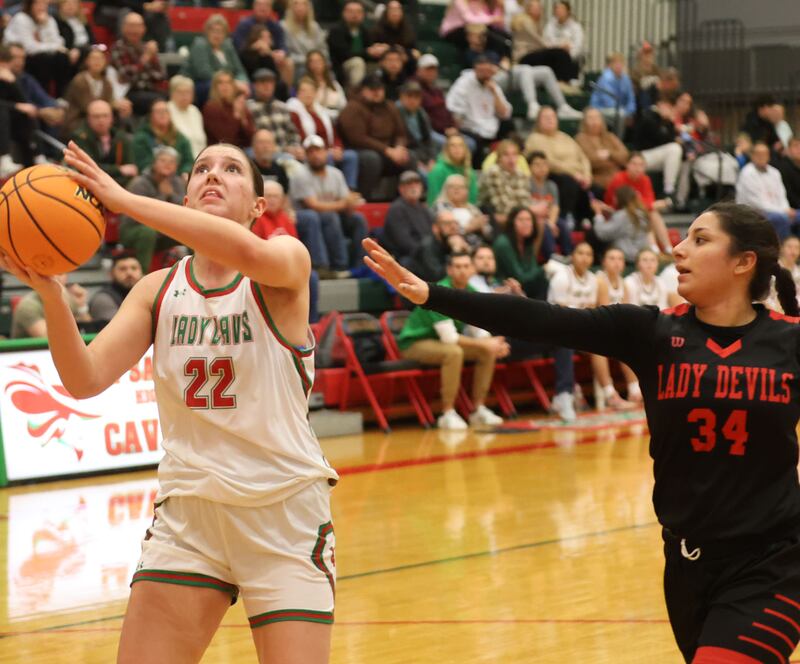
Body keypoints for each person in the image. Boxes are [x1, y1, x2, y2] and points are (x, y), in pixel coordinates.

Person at [364, 203, 800, 664]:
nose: (678, 248)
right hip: (688, 561)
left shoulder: (789, 342)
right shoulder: (651, 331)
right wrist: (432, 294)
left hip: (773, 561)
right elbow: (541, 318)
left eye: (699, 239)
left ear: (743, 261)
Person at [5, 137, 340, 662]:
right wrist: (51, 294)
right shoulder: (156, 289)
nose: (212, 175)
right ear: (184, 199)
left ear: (257, 206)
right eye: (201, 168)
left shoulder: (283, 262)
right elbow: (84, 379)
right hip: (189, 516)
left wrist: (123, 200)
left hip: (283, 513)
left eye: (231, 169)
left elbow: (245, 251)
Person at [398, 250, 507, 430]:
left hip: (440, 342)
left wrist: (494, 344)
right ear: (449, 270)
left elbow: (478, 330)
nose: (462, 271)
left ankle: (478, 409)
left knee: (487, 351)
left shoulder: (472, 292)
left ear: (472, 269)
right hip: (415, 342)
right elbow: (450, 338)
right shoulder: (439, 292)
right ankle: (447, 413)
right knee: (454, 352)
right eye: (457, 267)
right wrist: (486, 343)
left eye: (466, 266)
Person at [289, 134, 368, 271]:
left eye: (318, 150)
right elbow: (313, 205)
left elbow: (347, 202)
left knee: (358, 219)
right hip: (309, 219)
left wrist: (351, 203)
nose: (315, 155)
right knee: (329, 217)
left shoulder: (336, 174)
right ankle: (339, 266)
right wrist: (344, 203)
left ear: (326, 152)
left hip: (333, 216)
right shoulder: (300, 175)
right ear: (306, 155)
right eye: (311, 152)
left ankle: (360, 266)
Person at [252, 180, 320, 323]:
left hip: (288, 267)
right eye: (268, 196)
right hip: (267, 267)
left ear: (283, 200)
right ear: (261, 199)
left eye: (276, 196)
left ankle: (311, 324)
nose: (272, 200)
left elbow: (296, 246)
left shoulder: (285, 218)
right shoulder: (256, 219)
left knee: (312, 277)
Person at [337, 73, 414, 199]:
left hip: (388, 152)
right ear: (363, 90)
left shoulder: (390, 106)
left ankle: (405, 200)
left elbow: (401, 133)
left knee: (409, 157)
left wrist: (399, 148)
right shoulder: (353, 107)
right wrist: (387, 150)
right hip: (359, 150)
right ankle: (363, 198)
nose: (377, 92)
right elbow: (358, 138)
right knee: (372, 159)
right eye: (373, 89)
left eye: (380, 89)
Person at [119, 145, 187, 271]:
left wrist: (171, 196)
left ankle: (193, 273)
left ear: (176, 166)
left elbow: (184, 211)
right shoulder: (140, 183)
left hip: (162, 231)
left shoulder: (177, 183)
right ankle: (141, 276)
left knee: (189, 230)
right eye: (163, 160)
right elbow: (139, 214)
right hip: (133, 230)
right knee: (148, 231)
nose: (167, 164)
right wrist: (163, 196)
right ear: (154, 163)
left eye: (172, 162)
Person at [286, 76, 359, 190]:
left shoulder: (322, 112)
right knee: (326, 157)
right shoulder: (293, 112)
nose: (308, 94)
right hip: (310, 151)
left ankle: (350, 191)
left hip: (328, 149)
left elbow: (334, 135)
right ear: (297, 93)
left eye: (311, 91)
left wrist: (337, 147)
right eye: (304, 91)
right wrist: (326, 151)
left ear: (315, 93)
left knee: (351, 156)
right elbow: (299, 136)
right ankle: (330, 192)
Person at [524, 105, 592, 226]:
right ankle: (565, 216)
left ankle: (586, 219)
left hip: (578, 175)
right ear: (538, 122)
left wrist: (587, 175)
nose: (550, 119)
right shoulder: (535, 138)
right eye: (546, 117)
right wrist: (574, 173)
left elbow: (583, 157)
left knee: (595, 187)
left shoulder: (565, 137)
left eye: (552, 117)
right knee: (568, 181)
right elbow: (548, 162)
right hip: (553, 175)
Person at [445, 54, 513, 167]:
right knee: (475, 141)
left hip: (490, 126)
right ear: (476, 68)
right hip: (470, 128)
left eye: (489, 71)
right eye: (483, 71)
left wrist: (494, 93)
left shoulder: (493, 85)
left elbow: (505, 113)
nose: (486, 74)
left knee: (510, 126)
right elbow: (456, 112)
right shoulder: (464, 83)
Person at [593, 246, 641, 404]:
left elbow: (626, 313)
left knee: (630, 342)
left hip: (611, 329)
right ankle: (609, 394)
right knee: (598, 346)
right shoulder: (600, 280)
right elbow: (605, 312)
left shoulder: (624, 283)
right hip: (591, 327)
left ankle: (635, 390)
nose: (616, 262)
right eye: (612, 258)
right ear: (604, 262)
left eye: (620, 259)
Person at [604, 152, 674, 255]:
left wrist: (650, 205)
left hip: (639, 213)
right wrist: (652, 205)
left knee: (651, 213)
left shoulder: (645, 180)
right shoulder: (619, 179)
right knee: (647, 212)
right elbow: (624, 204)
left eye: (641, 165)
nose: (637, 168)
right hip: (618, 214)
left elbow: (649, 201)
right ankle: (654, 249)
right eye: (634, 164)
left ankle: (668, 248)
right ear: (627, 165)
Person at [3, 0, 76, 97]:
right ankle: (43, 97)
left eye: (44, 4)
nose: (42, 7)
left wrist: (45, 26)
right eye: (38, 4)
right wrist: (53, 46)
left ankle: (62, 96)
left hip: (41, 54)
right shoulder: (21, 19)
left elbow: (59, 41)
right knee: (44, 59)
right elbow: (30, 48)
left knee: (62, 57)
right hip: (17, 55)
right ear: (30, 5)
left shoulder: (48, 19)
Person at [182, 13, 250, 109]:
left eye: (221, 32)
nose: (217, 35)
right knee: (215, 87)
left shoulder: (228, 46)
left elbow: (239, 70)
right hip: (199, 84)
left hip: (226, 83)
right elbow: (204, 73)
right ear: (207, 32)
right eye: (213, 31)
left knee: (251, 88)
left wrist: (243, 82)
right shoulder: (200, 45)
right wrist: (233, 83)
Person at [736, 142, 800, 241]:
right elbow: (758, 203)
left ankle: (795, 250)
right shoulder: (747, 173)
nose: (761, 157)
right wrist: (783, 212)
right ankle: (782, 251)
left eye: (764, 154)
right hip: (753, 213)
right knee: (781, 218)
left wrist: (786, 209)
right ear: (752, 156)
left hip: (778, 211)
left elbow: (782, 195)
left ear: (769, 156)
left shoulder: (775, 172)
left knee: (796, 216)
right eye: (758, 154)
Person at [413, 53, 476, 153]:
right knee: (452, 146)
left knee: (471, 143)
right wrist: (445, 131)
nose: (431, 73)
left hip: (446, 131)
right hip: (429, 132)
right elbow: (422, 117)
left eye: (434, 70)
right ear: (418, 70)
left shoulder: (437, 90)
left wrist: (453, 127)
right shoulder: (414, 89)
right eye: (428, 69)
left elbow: (446, 112)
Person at [63, 46, 133, 134]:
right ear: (86, 61)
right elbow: (89, 107)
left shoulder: (107, 83)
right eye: (93, 58)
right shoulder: (80, 80)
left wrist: (122, 107)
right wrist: (114, 105)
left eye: (100, 59)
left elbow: (109, 102)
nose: (97, 62)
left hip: (100, 121)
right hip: (79, 121)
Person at [109, 12, 167, 116]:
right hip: (129, 93)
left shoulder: (146, 47)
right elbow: (127, 76)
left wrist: (144, 70)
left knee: (180, 96)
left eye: (138, 26)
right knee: (159, 101)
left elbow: (161, 75)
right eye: (131, 26)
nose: (134, 30)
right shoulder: (118, 48)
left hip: (150, 89)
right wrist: (146, 58)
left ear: (143, 29)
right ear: (123, 28)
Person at [70, 99, 138, 186]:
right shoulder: (80, 137)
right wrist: (119, 170)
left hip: (118, 185)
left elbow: (131, 169)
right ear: (88, 118)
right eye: (96, 116)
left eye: (105, 116)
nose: (101, 120)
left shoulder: (120, 137)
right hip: (90, 184)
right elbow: (88, 167)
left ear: (112, 118)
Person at [247, 68, 305, 163]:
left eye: (270, 82)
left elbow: (293, 133)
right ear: (255, 86)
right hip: (263, 154)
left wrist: (295, 148)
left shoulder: (282, 107)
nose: (267, 86)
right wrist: (284, 150)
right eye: (262, 82)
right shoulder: (249, 108)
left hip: (287, 153)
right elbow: (249, 137)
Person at [511, 0, 576, 83]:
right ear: (528, 9)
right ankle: (562, 82)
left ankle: (561, 81)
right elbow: (540, 42)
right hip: (524, 57)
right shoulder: (525, 21)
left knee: (560, 55)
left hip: (532, 54)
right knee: (560, 53)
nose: (538, 10)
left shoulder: (537, 23)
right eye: (535, 8)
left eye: (539, 8)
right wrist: (560, 46)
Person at [11, 272, 92, 338]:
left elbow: (88, 330)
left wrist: (82, 306)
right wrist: (58, 302)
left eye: (60, 273)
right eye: (52, 273)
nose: (57, 278)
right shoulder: (28, 306)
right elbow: (48, 339)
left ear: (66, 277)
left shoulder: (69, 298)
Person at [232, 0, 293, 87]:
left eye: (266, 5)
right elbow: (238, 47)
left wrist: (282, 53)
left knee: (288, 62)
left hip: (270, 59)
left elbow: (283, 45)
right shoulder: (244, 25)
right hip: (249, 58)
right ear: (254, 6)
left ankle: (285, 94)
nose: (263, 8)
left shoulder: (275, 26)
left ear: (271, 8)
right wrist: (255, 46)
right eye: (260, 4)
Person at [326, 0, 386, 89]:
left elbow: (369, 51)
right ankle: (356, 93)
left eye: (358, 12)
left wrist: (378, 51)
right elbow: (344, 54)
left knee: (384, 63)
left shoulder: (364, 31)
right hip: (341, 67)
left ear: (363, 15)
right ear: (344, 13)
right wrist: (367, 53)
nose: (355, 15)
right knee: (357, 62)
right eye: (351, 12)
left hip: (363, 64)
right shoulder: (336, 31)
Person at [491, 205, 547, 298]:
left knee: (544, 280)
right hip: (503, 286)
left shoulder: (527, 241)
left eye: (529, 220)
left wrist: (540, 271)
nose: (526, 223)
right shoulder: (503, 243)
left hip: (522, 285)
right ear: (512, 223)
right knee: (542, 280)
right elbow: (519, 276)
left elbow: (532, 268)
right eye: (521, 220)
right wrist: (543, 269)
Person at [382, 170, 434, 266]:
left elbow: (433, 234)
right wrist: (427, 253)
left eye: (417, 184)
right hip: (405, 257)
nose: (413, 187)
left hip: (425, 253)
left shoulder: (424, 209)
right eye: (409, 184)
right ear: (401, 189)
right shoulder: (396, 209)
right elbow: (404, 243)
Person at [478, 139, 533, 227]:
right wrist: (527, 214)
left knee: (541, 224)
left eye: (514, 154)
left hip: (513, 216)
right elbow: (502, 207)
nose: (511, 159)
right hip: (490, 215)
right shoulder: (493, 172)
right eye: (506, 155)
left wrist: (527, 214)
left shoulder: (521, 174)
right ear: (499, 158)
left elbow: (525, 201)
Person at [132, 98, 194, 176]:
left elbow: (188, 161)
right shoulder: (142, 138)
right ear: (151, 116)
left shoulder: (180, 138)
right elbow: (143, 165)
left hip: (178, 179)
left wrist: (184, 172)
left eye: (165, 111)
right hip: (151, 180)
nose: (162, 114)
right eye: (158, 112)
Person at [594, 184, 654, 264]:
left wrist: (598, 214)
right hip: (641, 255)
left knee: (591, 234)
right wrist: (612, 212)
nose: (613, 199)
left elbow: (602, 234)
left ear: (620, 198)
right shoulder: (642, 213)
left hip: (626, 258)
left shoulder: (622, 215)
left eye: (615, 197)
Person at [575, 107, 629, 194]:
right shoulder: (581, 138)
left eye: (597, 117)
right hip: (598, 179)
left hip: (619, 177)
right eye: (590, 118)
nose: (594, 121)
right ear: (584, 122)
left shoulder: (610, 136)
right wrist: (615, 160)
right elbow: (590, 160)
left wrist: (609, 154)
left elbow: (625, 156)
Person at [409, 210, 470, 282]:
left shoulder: (455, 242)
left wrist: (467, 251)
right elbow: (437, 277)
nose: (453, 227)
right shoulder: (427, 247)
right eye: (447, 223)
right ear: (435, 228)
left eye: (455, 223)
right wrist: (456, 251)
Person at [433, 174, 492, 248]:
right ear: (446, 190)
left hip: (480, 246)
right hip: (454, 246)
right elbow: (446, 231)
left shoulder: (472, 208)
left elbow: (489, 232)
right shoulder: (441, 206)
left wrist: (482, 228)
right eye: (452, 187)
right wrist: (469, 228)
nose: (456, 189)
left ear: (467, 191)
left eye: (460, 187)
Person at [588, 51, 636, 137]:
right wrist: (625, 113)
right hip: (600, 109)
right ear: (609, 65)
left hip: (620, 109)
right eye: (616, 63)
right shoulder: (605, 78)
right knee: (620, 115)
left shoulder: (626, 79)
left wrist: (629, 112)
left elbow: (631, 99)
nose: (619, 66)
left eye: (621, 63)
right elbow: (609, 102)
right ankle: (618, 140)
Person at [202, 71, 255, 148]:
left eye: (228, 82)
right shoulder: (211, 107)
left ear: (233, 86)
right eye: (220, 83)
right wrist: (236, 115)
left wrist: (243, 119)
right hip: (220, 151)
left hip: (243, 150)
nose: (225, 86)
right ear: (215, 87)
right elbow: (225, 140)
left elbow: (252, 137)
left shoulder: (239, 105)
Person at [89, 250, 144, 324]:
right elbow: (122, 329)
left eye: (134, 268)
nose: (129, 273)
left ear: (142, 273)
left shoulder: (148, 294)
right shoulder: (103, 299)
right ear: (111, 274)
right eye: (123, 269)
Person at [395, 80, 438, 173]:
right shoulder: (395, 112)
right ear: (401, 97)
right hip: (409, 154)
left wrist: (432, 160)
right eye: (409, 96)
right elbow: (398, 142)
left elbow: (429, 138)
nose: (412, 101)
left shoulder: (421, 112)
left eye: (416, 97)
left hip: (422, 152)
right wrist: (418, 162)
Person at [426, 133, 478, 206]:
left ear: (465, 149)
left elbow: (472, 199)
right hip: (444, 212)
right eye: (452, 145)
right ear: (446, 149)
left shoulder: (469, 171)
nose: (457, 148)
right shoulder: (438, 170)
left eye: (460, 145)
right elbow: (433, 199)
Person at [281, 0, 328, 79]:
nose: (300, 8)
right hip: (298, 65)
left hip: (317, 64)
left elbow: (323, 48)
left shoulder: (315, 27)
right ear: (290, 8)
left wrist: (319, 61)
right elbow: (287, 53)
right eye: (296, 4)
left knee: (328, 71)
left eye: (304, 4)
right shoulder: (284, 27)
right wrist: (309, 61)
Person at [542, 0, 583, 89]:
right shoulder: (550, 25)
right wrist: (561, 46)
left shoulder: (576, 27)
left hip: (570, 62)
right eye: (556, 8)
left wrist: (565, 52)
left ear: (568, 11)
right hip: (551, 61)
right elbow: (545, 43)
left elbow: (577, 48)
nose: (558, 11)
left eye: (561, 9)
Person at [167, 75, 207, 159]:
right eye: (180, 92)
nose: (184, 96)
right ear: (172, 93)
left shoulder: (194, 111)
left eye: (188, 92)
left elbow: (202, 141)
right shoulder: (167, 110)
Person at [306, 50, 347, 121]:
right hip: (319, 118)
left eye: (319, 61)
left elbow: (343, 104)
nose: (316, 64)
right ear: (308, 65)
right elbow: (313, 107)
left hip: (338, 117)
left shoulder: (334, 84)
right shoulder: (307, 85)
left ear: (324, 63)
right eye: (313, 61)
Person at [252, 128, 289, 192]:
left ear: (274, 147)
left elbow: (285, 197)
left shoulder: (280, 170)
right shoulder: (248, 168)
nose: (265, 146)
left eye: (268, 142)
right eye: (261, 142)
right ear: (254, 146)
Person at [776, 137, 800, 210]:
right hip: (791, 209)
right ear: (788, 150)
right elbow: (788, 195)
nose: (799, 148)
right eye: (795, 146)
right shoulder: (783, 168)